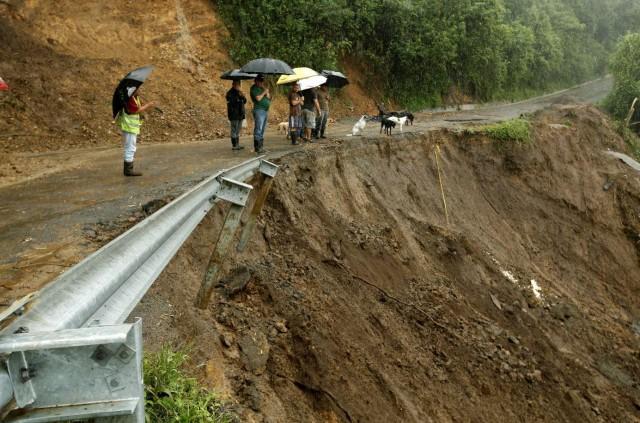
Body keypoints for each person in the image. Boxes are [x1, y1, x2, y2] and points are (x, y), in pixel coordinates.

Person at [116, 86, 155, 176]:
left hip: (129, 126)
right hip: (130, 126)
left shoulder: (132, 97)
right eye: (137, 89)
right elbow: (135, 110)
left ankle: (128, 169)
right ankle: (128, 170)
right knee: (131, 147)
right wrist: (148, 105)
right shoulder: (130, 99)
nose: (139, 90)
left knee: (128, 146)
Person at [250, 74, 271, 153]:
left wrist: (267, 92)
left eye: (262, 81)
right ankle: (257, 148)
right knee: (258, 128)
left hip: (265, 110)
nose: (261, 82)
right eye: (260, 81)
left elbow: (268, 97)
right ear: (256, 81)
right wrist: (264, 92)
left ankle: (261, 147)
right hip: (259, 110)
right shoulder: (254, 88)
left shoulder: (262, 88)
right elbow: (258, 98)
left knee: (262, 129)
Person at [226, 80, 247, 150]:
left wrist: (243, 95)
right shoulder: (230, 93)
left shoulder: (239, 92)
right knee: (234, 129)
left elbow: (244, 101)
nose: (238, 86)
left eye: (239, 85)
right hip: (234, 114)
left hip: (240, 113)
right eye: (237, 85)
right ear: (233, 85)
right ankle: (234, 145)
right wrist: (238, 96)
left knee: (238, 129)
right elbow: (232, 103)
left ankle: (237, 144)